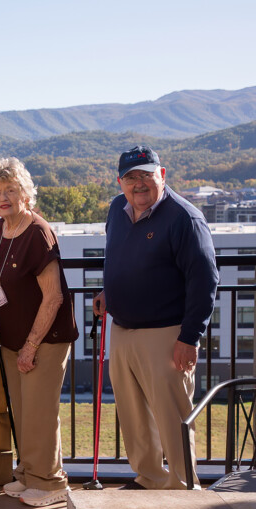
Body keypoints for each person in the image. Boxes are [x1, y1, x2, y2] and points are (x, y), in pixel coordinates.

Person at [94, 145, 218, 490]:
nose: (139, 185)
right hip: (122, 330)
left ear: (161, 176)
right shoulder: (117, 209)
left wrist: (189, 338)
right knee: (133, 416)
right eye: (131, 178)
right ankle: (149, 478)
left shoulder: (185, 218)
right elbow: (120, 257)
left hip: (167, 333)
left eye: (146, 176)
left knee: (173, 418)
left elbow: (205, 280)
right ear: (120, 182)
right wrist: (110, 293)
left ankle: (183, 488)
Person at [0, 157, 78, 507]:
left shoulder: (37, 232)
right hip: (12, 339)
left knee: (40, 412)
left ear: (26, 194)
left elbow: (53, 297)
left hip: (44, 340)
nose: (3, 197)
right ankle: (28, 474)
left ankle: (51, 483)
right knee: (23, 411)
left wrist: (30, 345)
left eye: (11, 190)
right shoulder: (1, 228)